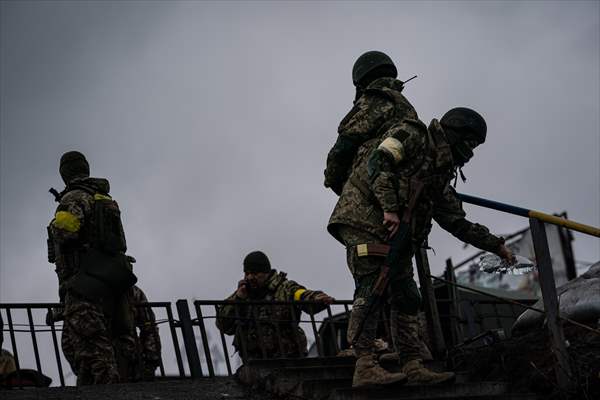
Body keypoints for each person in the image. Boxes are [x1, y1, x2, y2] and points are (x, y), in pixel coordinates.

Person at [326, 105, 515, 388]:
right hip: (362, 219)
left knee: (408, 296)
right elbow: (379, 160)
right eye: (470, 143)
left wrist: (496, 246)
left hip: (398, 235)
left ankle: (412, 364)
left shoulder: (440, 172)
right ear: (455, 133)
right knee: (372, 284)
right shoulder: (412, 135)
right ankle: (364, 365)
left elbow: (455, 221)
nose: (471, 151)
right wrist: (390, 208)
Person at [47, 151, 137, 385]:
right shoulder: (104, 198)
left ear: (64, 174)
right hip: (110, 281)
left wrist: (55, 225)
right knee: (106, 347)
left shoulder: (74, 198)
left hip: (84, 286)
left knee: (92, 352)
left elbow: (67, 232)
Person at [324, 50, 417, 196]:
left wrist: (331, 178)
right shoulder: (407, 108)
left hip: (366, 194)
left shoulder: (374, 99)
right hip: (396, 196)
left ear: (362, 79)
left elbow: (345, 143)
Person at [216, 251, 335, 361]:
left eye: (255, 273)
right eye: (247, 273)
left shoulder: (284, 288)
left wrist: (316, 297)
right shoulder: (243, 293)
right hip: (253, 363)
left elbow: (300, 294)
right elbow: (223, 324)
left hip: (287, 361)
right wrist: (239, 299)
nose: (250, 277)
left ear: (266, 273)